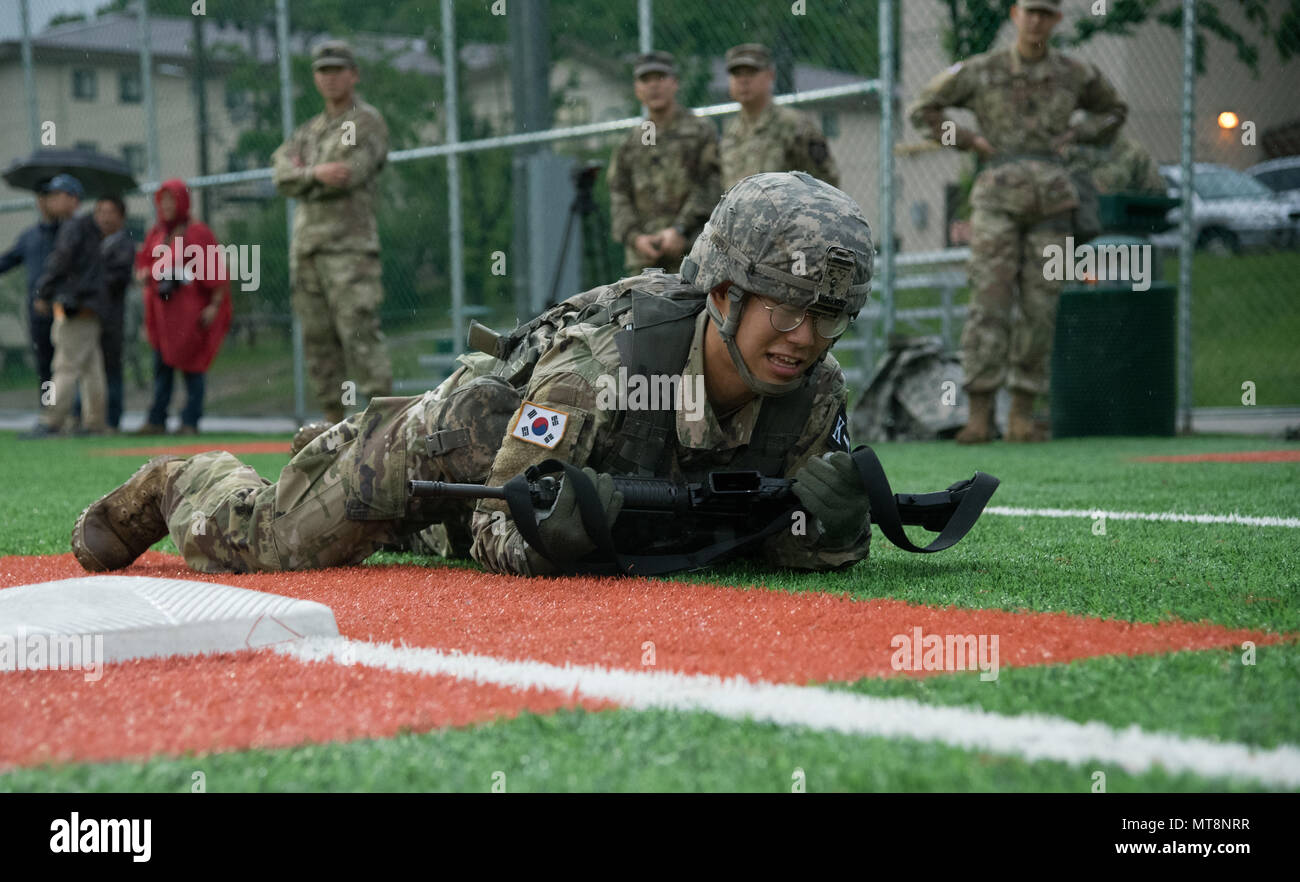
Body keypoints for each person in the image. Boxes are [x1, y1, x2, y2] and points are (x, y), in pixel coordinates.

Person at [71, 172, 876, 578]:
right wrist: (554, 528)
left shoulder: (815, 396)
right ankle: (183, 480)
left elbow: (781, 539)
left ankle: (341, 462)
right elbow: (500, 524)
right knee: (271, 544)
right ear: (727, 295)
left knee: (422, 539)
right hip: (442, 442)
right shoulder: (601, 372)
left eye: (829, 316)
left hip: (487, 486)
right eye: (789, 309)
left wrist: (829, 532)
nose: (805, 339)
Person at [908, 0, 1127, 443]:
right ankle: (979, 415)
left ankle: (1023, 416)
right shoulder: (982, 69)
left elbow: (1113, 111)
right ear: (1014, 14)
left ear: (1057, 20)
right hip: (997, 200)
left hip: (1052, 203)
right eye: (1029, 11)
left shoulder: (1075, 72)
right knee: (989, 303)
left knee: (1041, 307)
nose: (1036, 20)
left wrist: (1078, 134)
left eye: (1046, 13)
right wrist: (968, 139)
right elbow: (924, 110)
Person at [272, 39, 392, 425]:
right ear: (314, 78)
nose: (330, 77)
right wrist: (313, 173)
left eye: (339, 69)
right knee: (318, 341)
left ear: (354, 75)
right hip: (307, 250)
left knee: (358, 334)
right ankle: (332, 422)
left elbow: (346, 173)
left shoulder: (365, 121)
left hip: (349, 251)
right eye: (323, 70)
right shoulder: (310, 130)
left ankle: (385, 422)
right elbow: (280, 174)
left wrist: (304, 174)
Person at [608, 51, 720, 274]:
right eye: (645, 80)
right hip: (644, 260)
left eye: (660, 78)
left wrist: (680, 230)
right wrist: (635, 238)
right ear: (637, 89)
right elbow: (619, 194)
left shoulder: (700, 132)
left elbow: (712, 185)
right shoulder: (630, 142)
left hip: (693, 253)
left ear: (675, 83)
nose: (653, 86)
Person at [134, 179, 231, 436]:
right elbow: (143, 263)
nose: (166, 206)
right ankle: (157, 419)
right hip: (162, 315)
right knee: (161, 369)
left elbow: (216, 272)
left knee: (193, 367)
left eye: (171, 200)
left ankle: (190, 421)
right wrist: (144, 273)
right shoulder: (156, 234)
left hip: (190, 314)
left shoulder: (197, 232)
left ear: (182, 202)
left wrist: (214, 306)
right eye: (162, 201)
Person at [21, 175, 109, 438]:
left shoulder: (72, 226)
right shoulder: (89, 227)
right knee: (91, 368)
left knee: (65, 366)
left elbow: (60, 262)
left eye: (59, 194)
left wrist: (42, 291)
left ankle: (51, 421)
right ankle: (94, 423)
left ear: (73, 199)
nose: (52, 199)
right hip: (90, 306)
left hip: (75, 305)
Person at [719, 43, 839, 190]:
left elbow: (826, 183)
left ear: (770, 75)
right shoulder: (731, 131)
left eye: (751, 72)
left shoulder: (795, 126)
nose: (743, 80)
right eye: (737, 74)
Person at [0, 180, 62, 401]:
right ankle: (49, 408)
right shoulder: (30, 236)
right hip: (37, 311)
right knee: (44, 362)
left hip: (65, 307)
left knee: (66, 363)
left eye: (51, 197)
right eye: (42, 198)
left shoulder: (69, 232)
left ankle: (73, 412)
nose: (46, 203)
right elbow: (7, 260)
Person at [95, 195, 135, 432]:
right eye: (100, 212)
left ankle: (112, 418)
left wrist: (91, 281)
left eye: (110, 212)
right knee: (88, 369)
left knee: (111, 368)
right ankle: (89, 417)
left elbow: (117, 278)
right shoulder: (92, 242)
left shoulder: (123, 244)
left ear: (121, 217)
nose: (104, 217)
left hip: (112, 317)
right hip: (88, 315)